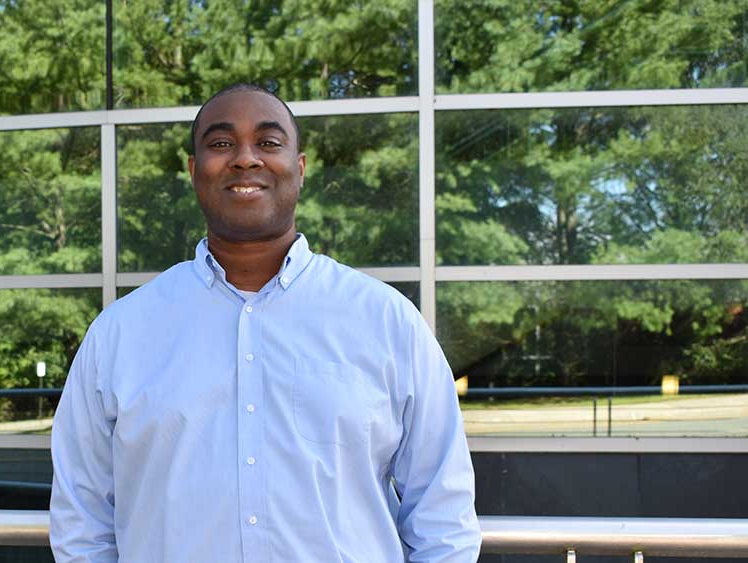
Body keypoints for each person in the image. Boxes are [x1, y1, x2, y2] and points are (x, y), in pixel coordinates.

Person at [50, 83, 481, 562]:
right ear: (194, 171)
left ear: (299, 169)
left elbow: (443, 516)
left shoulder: (386, 321)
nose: (245, 159)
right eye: (220, 144)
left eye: (269, 143)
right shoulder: (119, 334)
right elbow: (82, 521)